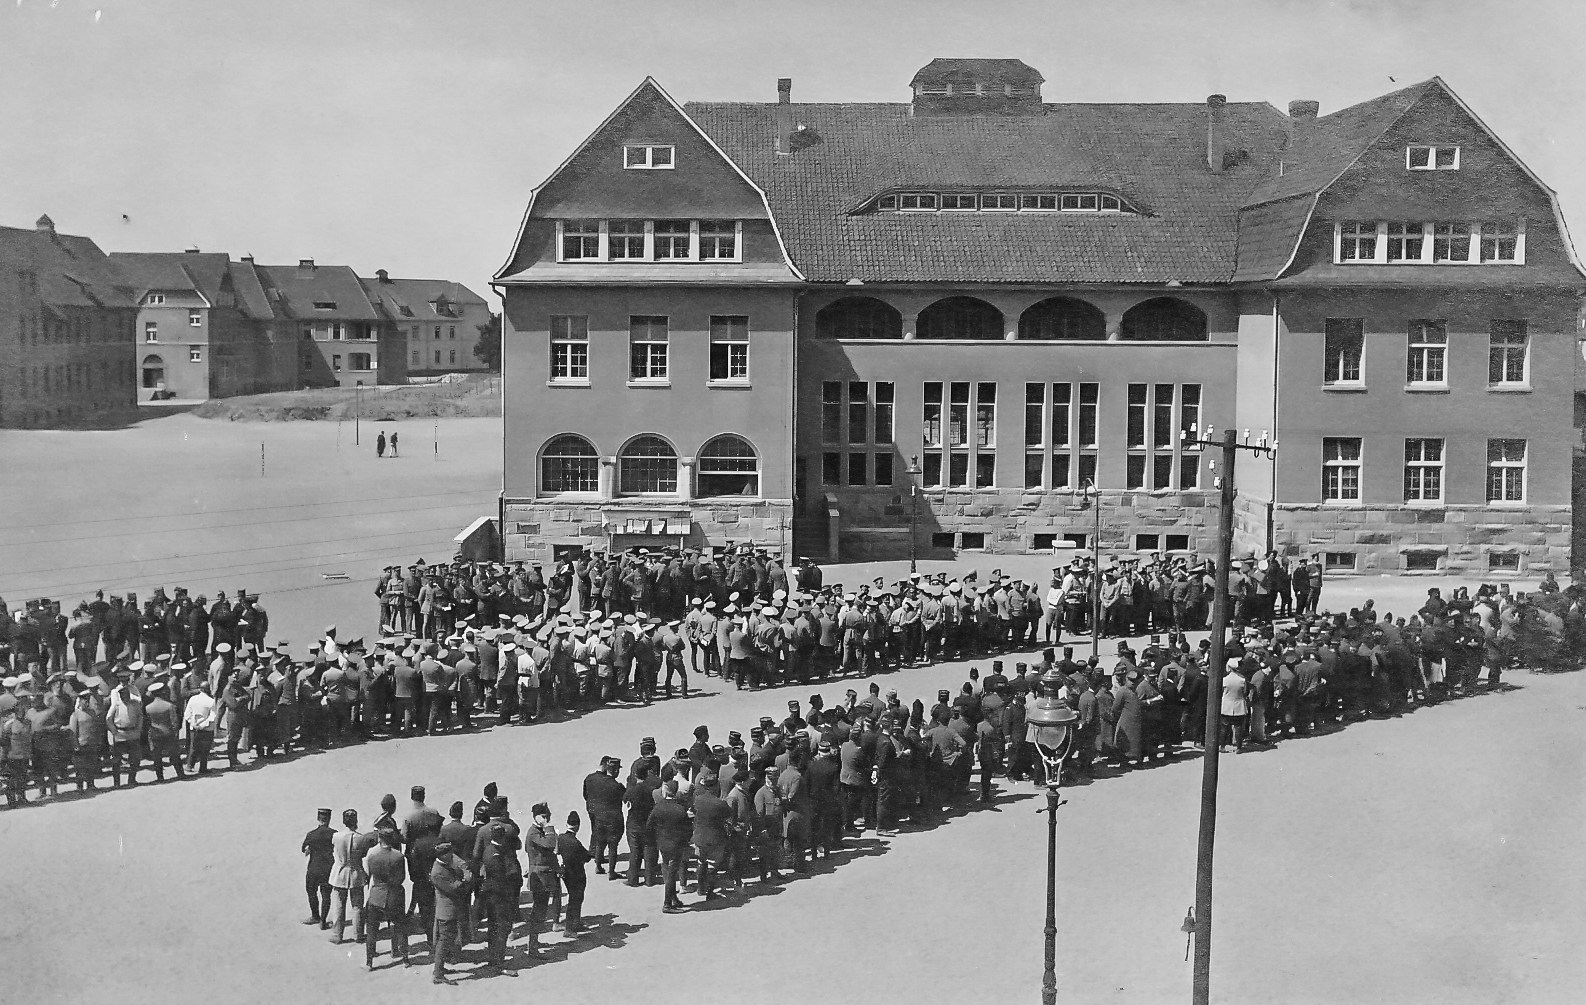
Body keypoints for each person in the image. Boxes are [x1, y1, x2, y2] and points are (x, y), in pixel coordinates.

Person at [428, 840, 474, 985]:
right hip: (447, 911)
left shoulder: (444, 863)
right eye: (449, 854)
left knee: (447, 939)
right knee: (444, 941)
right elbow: (453, 888)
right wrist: (466, 880)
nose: (452, 856)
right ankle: (438, 974)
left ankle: (439, 969)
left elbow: (460, 862)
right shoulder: (437, 872)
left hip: (450, 909)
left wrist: (465, 869)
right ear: (442, 855)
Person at [478, 825, 522, 974]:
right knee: (501, 929)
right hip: (499, 897)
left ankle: (495, 959)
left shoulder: (491, 849)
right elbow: (503, 876)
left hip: (495, 896)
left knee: (495, 929)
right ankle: (497, 962)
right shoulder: (495, 854)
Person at [363, 827, 409, 969]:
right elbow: (402, 877)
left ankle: (369, 962)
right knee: (400, 927)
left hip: (377, 895)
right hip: (395, 895)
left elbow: (368, 876)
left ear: (379, 839)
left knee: (372, 929)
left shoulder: (373, 856)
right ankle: (405, 958)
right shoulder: (398, 856)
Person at [647, 780, 693, 913]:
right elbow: (688, 829)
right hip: (676, 845)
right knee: (672, 874)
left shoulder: (658, 806)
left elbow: (649, 825)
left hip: (662, 844)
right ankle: (667, 904)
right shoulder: (680, 809)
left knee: (668, 871)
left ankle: (673, 898)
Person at [524, 802, 560, 952]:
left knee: (541, 910)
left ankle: (535, 942)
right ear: (536, 817)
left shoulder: (539, 831)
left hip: (545, 875)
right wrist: (548, 827)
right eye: (544, 816)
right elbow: (550, 844)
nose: (547, 818)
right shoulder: (534, 833)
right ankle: (532, 946)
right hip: (539, 878)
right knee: (538, 911)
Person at [582, 756, 625, 878]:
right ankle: (611, 871)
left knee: (599, 838)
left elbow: (585, 795)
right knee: (613, 844)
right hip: (613, 818)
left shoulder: (589, 778)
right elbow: (625, 798)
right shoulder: (616, 786)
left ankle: (598, 863)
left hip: (595, 812)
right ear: (615, 770)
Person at [329, 808, 367, 944]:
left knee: (338, 905)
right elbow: (363, 854)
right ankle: (358, 934)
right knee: (357, 906)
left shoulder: (336, 836)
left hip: (339, 872)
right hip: (355, 872)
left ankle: (337, 934)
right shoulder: (361, 838)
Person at [301, 808, 335, 928]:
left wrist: (309, 849)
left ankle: (315, 916)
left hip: (313, 868)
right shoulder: (334, 834)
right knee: (326, 895)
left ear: (318, 818)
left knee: (311, 892)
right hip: (327, 869)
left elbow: (303, 848)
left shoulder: (311, 834)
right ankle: (323, 921)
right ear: (329, 819)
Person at [557, 811, 591, 933]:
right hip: (577, 874)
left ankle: (574, 923)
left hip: (566, 873)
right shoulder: (575, 843)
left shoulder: (561, 838)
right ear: (578, 826)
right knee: (576, 899)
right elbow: (587, 857)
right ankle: (571, 926)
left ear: (567, 824)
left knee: (573, 898)